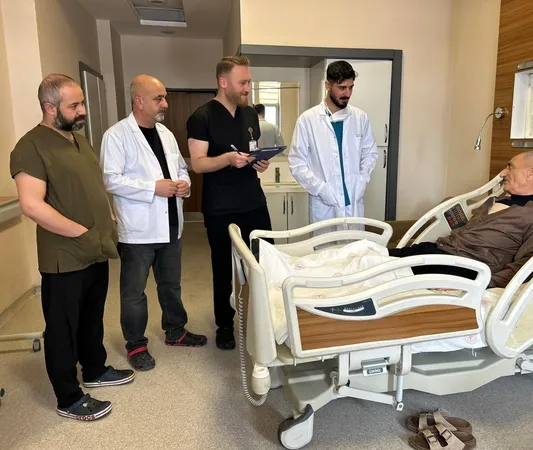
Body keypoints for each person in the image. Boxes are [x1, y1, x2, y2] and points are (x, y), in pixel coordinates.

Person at [10, 74, 134, 421]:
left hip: (95, 248)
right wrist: (82, 233)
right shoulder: (30, 146)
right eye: (74, 105)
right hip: (64, 255)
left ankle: (94, 368)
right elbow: (32, 205)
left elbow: (92, 186)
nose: (83, 111)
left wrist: (108, 218)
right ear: (50, 108)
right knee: (62, 328)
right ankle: (68, 397)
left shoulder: (80, 141)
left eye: (82, 103)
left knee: (91, 316)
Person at [100, 74, 207, 371]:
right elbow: (111, 180)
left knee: (171, 284)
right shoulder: (117, 135)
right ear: (139, 101)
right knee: (134, 292)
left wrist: (184, 184)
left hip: (170, 224)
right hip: (139, 230)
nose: (165, 103)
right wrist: (152, 188)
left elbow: (181, 168)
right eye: (159, 98)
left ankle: (175, 331)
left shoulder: (166, 134)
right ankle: (136, 344)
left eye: (165, 97)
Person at [186, 56, 272, 350]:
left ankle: (264, 315)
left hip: (253, 201)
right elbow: (198, 164)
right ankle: (225, 324)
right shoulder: (202, 117)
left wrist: (259, 162)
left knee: (263, 260)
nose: (248, 87)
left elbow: (252, 150)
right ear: (223, 82)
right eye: (243, 82)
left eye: (249, 81)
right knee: (223, 267)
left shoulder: (249, 115)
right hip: (221, 207)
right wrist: (226, 159)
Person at [388, 151, 533, 288]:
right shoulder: (493, 201)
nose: (502, 173)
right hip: (437, 251)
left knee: (382, 276)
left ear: (531, 173)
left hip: (464, 268)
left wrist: (479, 284)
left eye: (510, 167)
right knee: (378, 258)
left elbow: (527, 266)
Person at [288, 60, 378, 231]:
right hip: (325, 205)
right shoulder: (308, 120)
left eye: (351, 87)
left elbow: (370, 153)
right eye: (342, 88)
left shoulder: (360, 118)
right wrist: (321, 189)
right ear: (328, 85)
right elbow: (297, 163)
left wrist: (362, 180)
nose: (347, 93)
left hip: (353, 202)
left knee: (355, 246)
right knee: (326, 247)